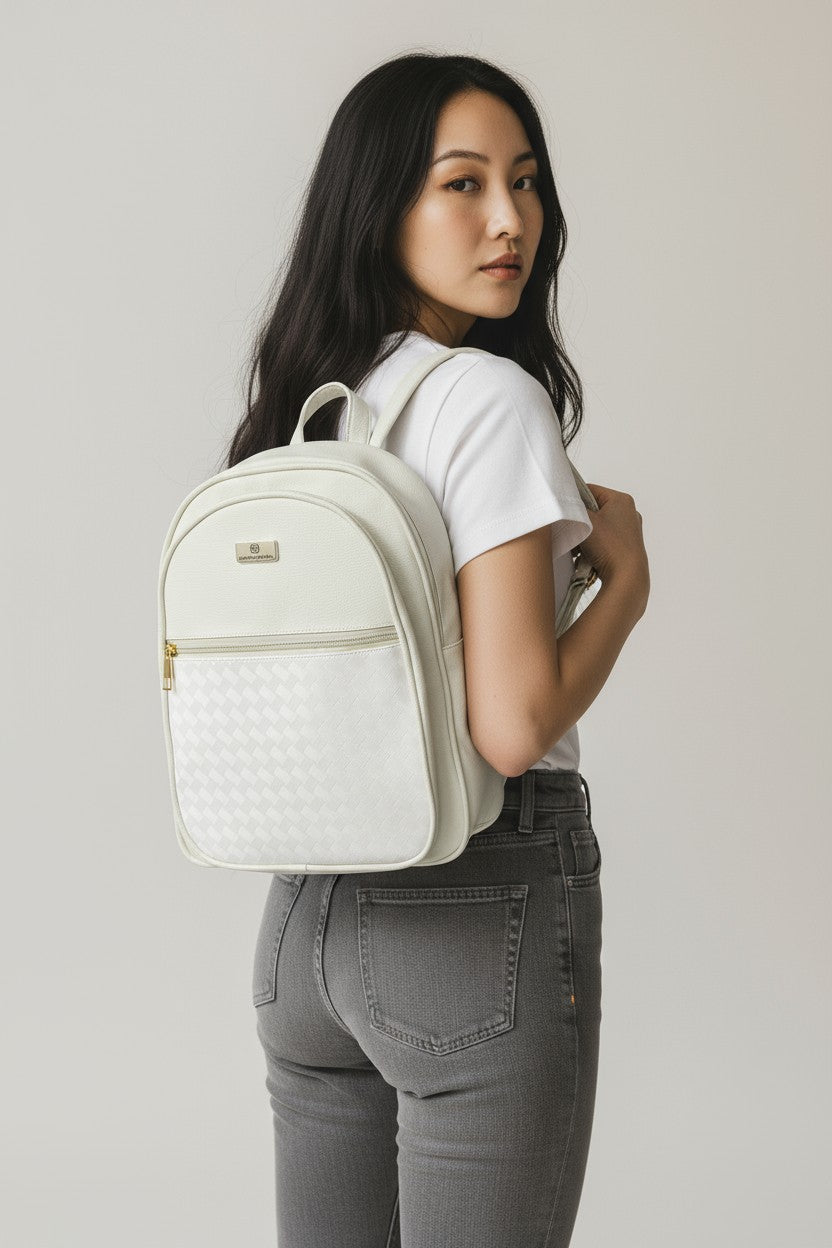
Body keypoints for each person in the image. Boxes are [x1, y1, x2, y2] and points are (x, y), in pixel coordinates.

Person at [220, 52, 650, 1248]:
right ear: (379, 206)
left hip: (302, 927)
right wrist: (625, 587)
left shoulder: (309, 412)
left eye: (526, 182)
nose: (510, 219)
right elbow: (511, 727)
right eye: (462, 183)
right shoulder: (488, 402)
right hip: (472, 916)